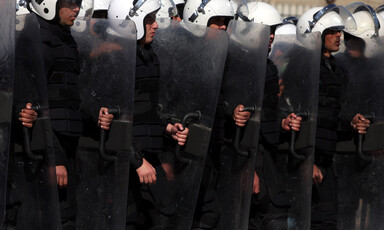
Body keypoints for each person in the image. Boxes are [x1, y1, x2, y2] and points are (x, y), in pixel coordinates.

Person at [108, 0, 189, 228]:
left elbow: (145, 110)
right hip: (127, 159)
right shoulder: (116, 58)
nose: (155, 26)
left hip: (145, 154)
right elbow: (117, 117)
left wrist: (168, 128)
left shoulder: (149, 57)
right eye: (148, 20)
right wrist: (138, 160)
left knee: (166, 212)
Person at [296, 5, 370, 229]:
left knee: (329, 220)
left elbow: (331, 115)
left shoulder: (334, 68)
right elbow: (298, 117)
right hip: (307, 162)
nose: (339, 35)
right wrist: (307, 162)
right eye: (332, 31)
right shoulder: (304, 66)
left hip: (327, 161)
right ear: (316, 33)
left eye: (339, 30)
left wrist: (351, 121)